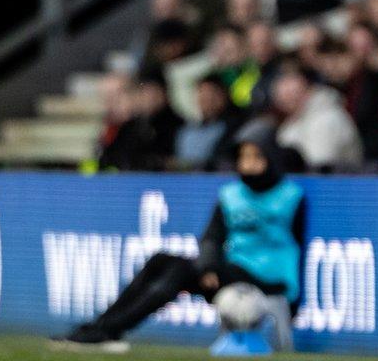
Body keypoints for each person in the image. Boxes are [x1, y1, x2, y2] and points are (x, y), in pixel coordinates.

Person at [53, 132, 306, 352]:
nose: (248, 165)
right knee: (161, 260)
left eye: (256, 158)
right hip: (230, 270)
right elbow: (212, 237)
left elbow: (291, 246)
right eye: (244, 157)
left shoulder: (290, 196)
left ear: (271, 160)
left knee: (180, 272)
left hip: (269, 277)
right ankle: (101, 327)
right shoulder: (231, 195)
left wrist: (212, 269)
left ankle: (109, 331)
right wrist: (209, 266)